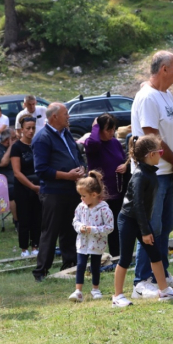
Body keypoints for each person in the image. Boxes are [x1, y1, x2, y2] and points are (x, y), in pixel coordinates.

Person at [130, 51, 173, 298]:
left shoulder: (165, 95)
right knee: (150, 228)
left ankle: (161, 274)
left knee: (164, 227)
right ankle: (142, 280)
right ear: (164, 69)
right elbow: (152, 137)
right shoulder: (147, 98)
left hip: (167, 172)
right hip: (151, 175)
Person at [112, 135, 173, 307]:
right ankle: (117, 297)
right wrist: (145, 232)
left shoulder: (150, 172)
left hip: (141, 220)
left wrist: (145, 228)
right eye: (160, 152)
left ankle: (165, 291)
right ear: (150, 155)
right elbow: (137, 205)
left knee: (155, 254)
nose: (162, 155)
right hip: (129, 220)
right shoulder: (140, 175)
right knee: (124, 259)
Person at [32, 102, 86, 282]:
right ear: (54, 117)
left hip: (71, 189)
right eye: (65, 114)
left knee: (70, 229)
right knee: (50, 231)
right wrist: (67, 175)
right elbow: (41, 170)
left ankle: (69, 264)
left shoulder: (67, 133)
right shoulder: (42, 138)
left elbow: (77, 156)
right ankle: (41, 271)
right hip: (53, 192)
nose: (68, 117)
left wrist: (81, 170)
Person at [84, 113, 128, 257]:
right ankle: (95, 255)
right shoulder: (93, 144)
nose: (111, 133)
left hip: (117, 190)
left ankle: (116, 254)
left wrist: (125, 166)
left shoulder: (114, 142)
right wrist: (95, 126)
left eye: (113, 129)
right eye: (108, 129)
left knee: (115, 224)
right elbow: (94, 143)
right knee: (100, 226)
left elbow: (124, 157)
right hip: (100, 193)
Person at [68, 171, 113, 302]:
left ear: (94, 195)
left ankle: (95, 289)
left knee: (95, 266)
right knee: (81, 265)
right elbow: (75, 220)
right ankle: (78, 291)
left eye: (83, 196)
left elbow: (109, 227)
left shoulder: (104, 209)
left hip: (96, 244)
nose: (81, 198)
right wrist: (79, 227)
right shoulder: (80, 207)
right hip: (82, 242)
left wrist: (92, 230)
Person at [11, 116, 41, 257]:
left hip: (37, 186)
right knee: (24, 218)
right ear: (22, 129)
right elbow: (17, 172)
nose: (31, 131)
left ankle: (36, 245)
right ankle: (24, 248)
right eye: (28, 128)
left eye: (33, 128)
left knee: (37, 217)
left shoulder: (37, 144)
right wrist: (32, 186)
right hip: (23, 187)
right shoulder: (17, 147)